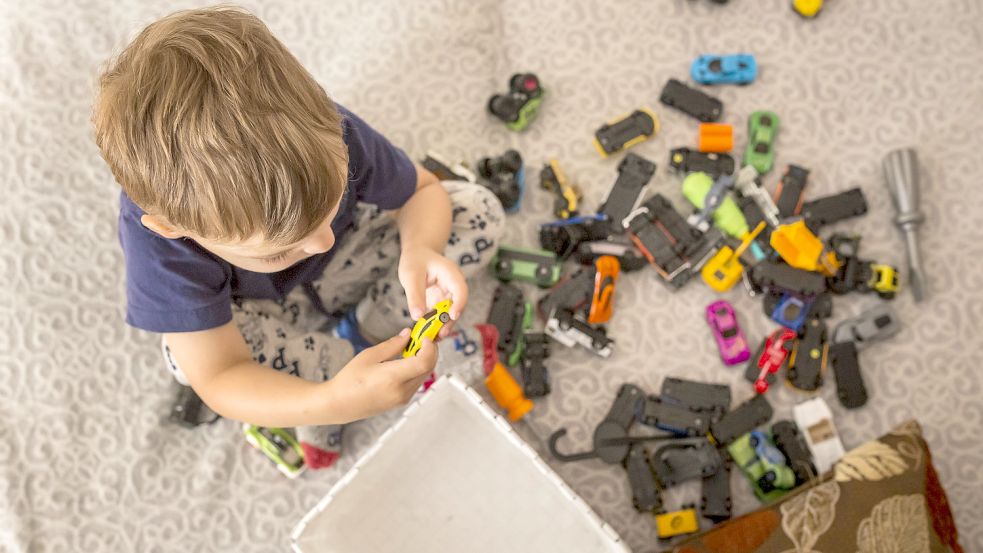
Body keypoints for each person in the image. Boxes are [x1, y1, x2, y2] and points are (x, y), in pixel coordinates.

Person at [92, 6, 504, 469]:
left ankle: (367, 335)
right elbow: (220, 376)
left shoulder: (327, 132)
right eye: (281, 250)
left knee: (475, 208)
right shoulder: (161, 248)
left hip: (352, 263)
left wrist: (421, 249)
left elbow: (423, 192)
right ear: (175, 229)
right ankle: (338, 370)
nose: (322, 243)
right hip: (265, 313)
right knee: (185, 358)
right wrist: (331, 402)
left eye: (333, 203)